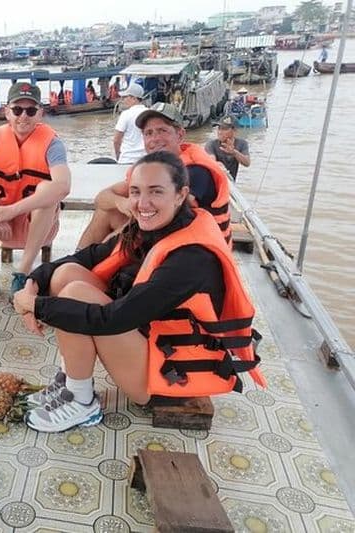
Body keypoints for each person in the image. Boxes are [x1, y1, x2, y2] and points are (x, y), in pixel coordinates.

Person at [13, 151, 263, 433]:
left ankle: (82, 403)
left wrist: (37, 306)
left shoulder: (191, 257)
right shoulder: (151, 226)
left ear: (180, 195)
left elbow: (112, 319)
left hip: (169, 377)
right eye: (135, 191)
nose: (142, 203)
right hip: (149, 341)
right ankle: (70, 381)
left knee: (75, 295)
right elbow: (90, 256)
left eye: (156, 192)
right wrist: (33, 281)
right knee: (66, 275)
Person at [0, 81, 71, 304]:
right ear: (7, 112)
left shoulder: (52, 144)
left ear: (40, 113)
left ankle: (24, 273)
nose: (23, 116)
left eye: (30, 110)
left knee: (48, 189)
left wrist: (11, 211)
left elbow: (63, 186)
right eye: (17, 110)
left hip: (36, 227)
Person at [76, 102, 231, 249]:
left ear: (180, 135)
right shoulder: (151, 169)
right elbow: (101, 199)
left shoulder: (195, 170)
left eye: (162, 131)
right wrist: (121, 202)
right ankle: (80, 258)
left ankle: (93, 261)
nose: (155, 139)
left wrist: (133, 208)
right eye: (148, 133)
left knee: (134, 222)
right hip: (165, 235)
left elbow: (168, 215)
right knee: (108, 212)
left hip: (196, 246)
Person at [205, 115, 250, 180]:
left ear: (234, 131)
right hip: (215, 180)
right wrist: (218, 165)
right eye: (219, 128)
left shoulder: (242, 143)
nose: (220, 132)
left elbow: (247, 163)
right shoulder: (211, 144)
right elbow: (211, 160)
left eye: (224, 129)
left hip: (231, 181)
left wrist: (234, 152)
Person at [112, 83, 147, 164]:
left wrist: (118, 156)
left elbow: (116, 140)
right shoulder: (149, 112)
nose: (123, 100)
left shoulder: (125, 114)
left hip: (127, 159)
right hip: (145, 160)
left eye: (125, 97)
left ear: (133, 98)